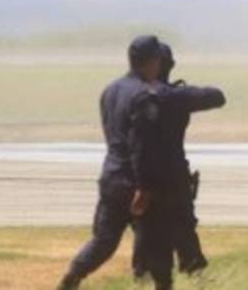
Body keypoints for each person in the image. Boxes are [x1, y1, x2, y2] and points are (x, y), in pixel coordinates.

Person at [57, 35, 166, 290]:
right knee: (153, 236)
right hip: (134, 179)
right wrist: (144, 187)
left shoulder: (110, 90)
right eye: (158, 60)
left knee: (104, 240)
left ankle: (71, 279)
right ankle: (148, 281)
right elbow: (141, 147)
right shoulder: (144, 95)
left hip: (111, 174)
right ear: (151, 62)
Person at [131, 43, 225, 281]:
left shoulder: (135, 95)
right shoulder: (173, 97)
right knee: (181, 223)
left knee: (145, 226)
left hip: (141, 172)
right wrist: (180, 93)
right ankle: (192, 270)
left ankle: (143, 273)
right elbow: (216, 96)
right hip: (172, 174)